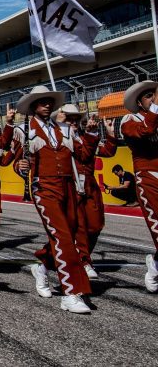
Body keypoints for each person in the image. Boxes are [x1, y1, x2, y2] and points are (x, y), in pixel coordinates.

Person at [0, 86, 96, 314]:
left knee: (71, 232)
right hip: (44, 187)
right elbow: (15, 160)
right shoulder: (25, 130)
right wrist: (20, 167)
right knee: (63, 236)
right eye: (42, 102)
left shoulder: (64, 129)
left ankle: (42, 265)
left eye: (49, 101)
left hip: (68, 186)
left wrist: (90, 134)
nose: (47, 105)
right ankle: (71, 292)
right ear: (33, 106)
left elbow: (83, 156)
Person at [55, 104, 116, 279]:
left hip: (90, 185)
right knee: (78, 227)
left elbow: (107, 151)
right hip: (71, 184)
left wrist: (110, 133)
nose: (73, 121)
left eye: (76, 118)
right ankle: (84, 260)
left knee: (95, 225)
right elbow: (81, 155)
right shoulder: (59, 138)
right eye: (69, 118)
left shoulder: (84, 136)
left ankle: (74, 258)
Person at [115, 80, 158, 292]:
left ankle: (156, 263)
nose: (153, 99)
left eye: (154, 95)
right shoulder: (129, 120)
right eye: (149, 96)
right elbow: (145, 131)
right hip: (148, 176)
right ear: (140, 102)